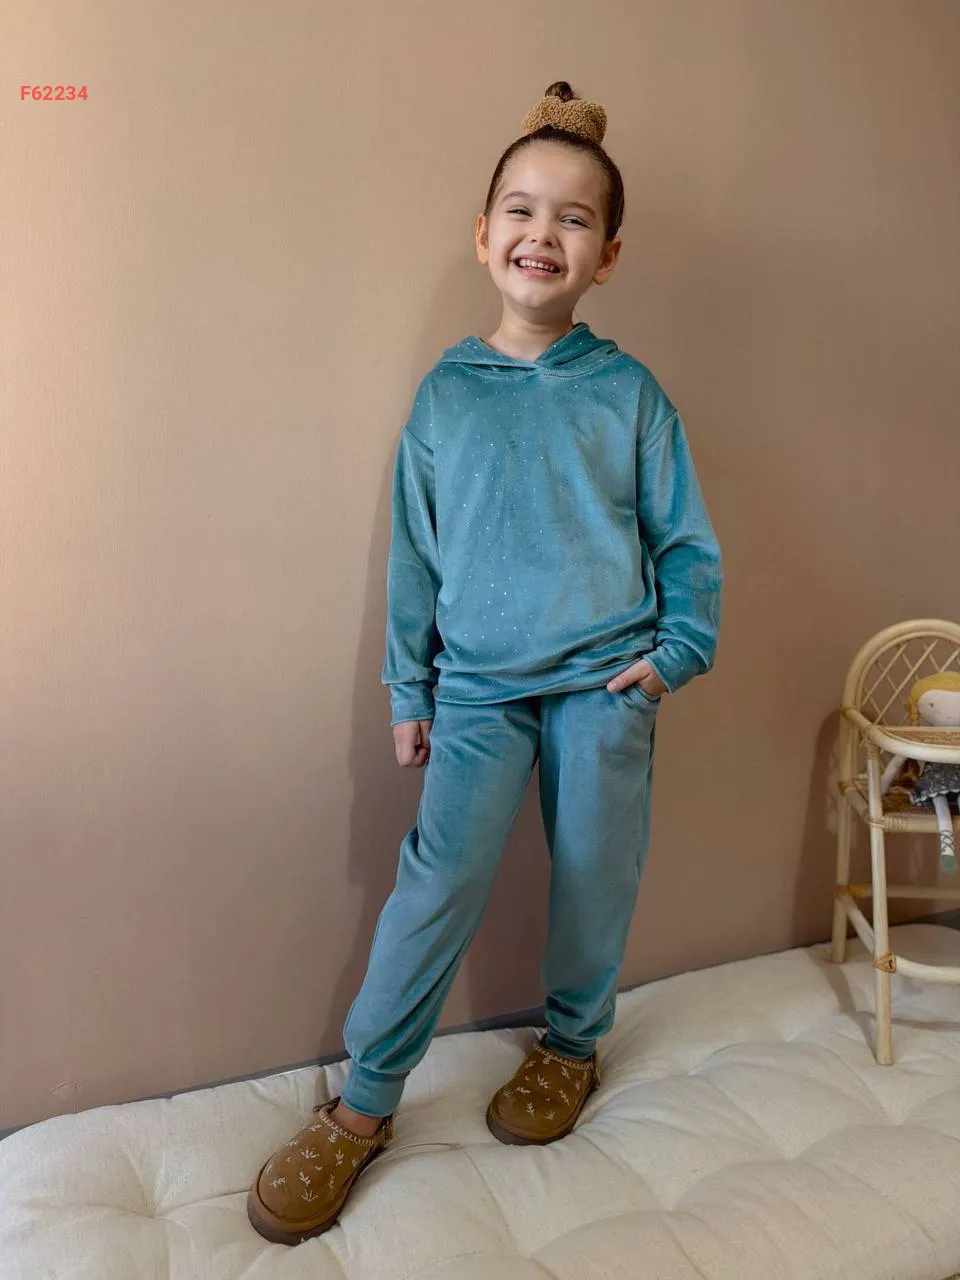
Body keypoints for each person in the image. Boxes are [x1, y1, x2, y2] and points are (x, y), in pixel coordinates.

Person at [247, 80, 723, 1246]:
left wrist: (676, 652)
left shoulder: (629, 393)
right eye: (521, 209)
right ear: (483, 234)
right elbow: (414, 556)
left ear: (607, 255)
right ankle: (363, 1102)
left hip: (607, 680)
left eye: (573, 217)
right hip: (477, 687)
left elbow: (686, 540)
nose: (541, 233)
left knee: (596, 869)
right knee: (436, 880)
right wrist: (408, 686)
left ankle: (573, 1043)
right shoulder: (446, 397)